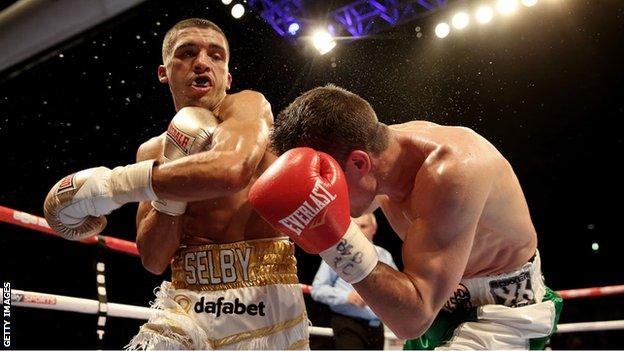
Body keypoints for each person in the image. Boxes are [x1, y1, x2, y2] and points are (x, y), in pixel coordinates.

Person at [43, 18, 308, 350]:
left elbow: (232, 170)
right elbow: (154, 260)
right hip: (186, 303)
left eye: (216, 55)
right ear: (164, 72)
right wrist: (172, 173)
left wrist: (115, 184)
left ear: (227, 76)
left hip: (264, 302)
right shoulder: (152, 152)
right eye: (187, 52)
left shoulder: (249, 108)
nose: (201, 62)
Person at [248, 84, 563, 350]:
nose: (327, 195)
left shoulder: (451, 173)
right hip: (438, 305)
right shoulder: (380, 158)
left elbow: (412, 319)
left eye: (328, 180)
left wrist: (336, 242)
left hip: (502, 313)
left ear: (359, 164)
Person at [311, 213, 397, 350]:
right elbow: (318, 289)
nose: (359, 231)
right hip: (348, 324)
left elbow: (396, 291)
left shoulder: (384, 256)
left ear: (374, 228)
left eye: (364, 226)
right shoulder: (336, 253)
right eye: (355, 227)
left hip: (377, 327)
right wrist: (346, 297)